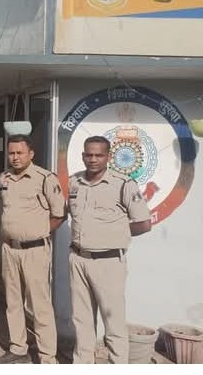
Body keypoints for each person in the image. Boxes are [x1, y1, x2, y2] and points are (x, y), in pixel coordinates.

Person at [68, 136, 151, 364]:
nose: (93, 159)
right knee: (81, 320)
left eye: (99, 155)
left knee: (113, 323)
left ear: (108, 157)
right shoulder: (74, 182)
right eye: (89, 154)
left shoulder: (123, 184)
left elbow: (144, 223)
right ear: (83, 155)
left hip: (109, 263)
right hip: (78, 258)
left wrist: (116, 234)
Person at [0, 134, 66, 364]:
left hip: (34, 251)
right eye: (11, 153)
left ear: (31, 154)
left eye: (20, 153)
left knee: (39, 305)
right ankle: (18, 348)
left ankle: (47, 357)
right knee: (13, 301)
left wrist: (39, 232)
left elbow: (59, 214)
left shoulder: (45, 178)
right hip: (10, 249)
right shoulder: (4, 177)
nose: (15, 157)